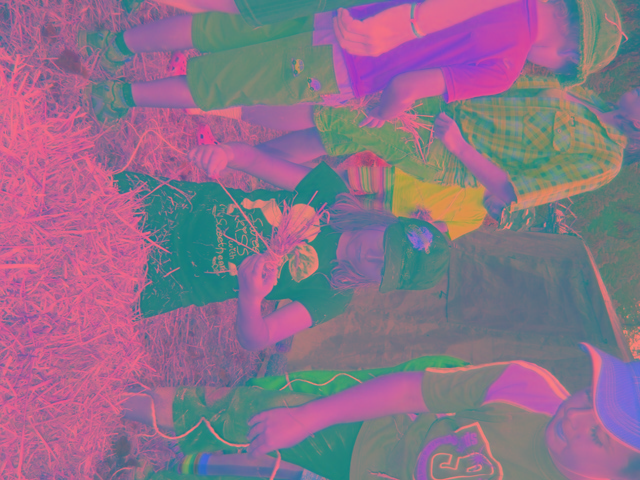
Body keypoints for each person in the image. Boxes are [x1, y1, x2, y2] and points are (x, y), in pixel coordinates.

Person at [121, 342, 640, 480]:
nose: (573, 417)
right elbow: (411, 392)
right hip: (372, 438)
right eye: (587, 396)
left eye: (599, 435)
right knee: (257, 415)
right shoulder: (527, 385)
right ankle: (111, 401)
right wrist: (309, 417)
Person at [114, 142, 450, 351]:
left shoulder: (332, 297)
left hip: (176, 280)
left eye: (383, 268)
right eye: (385, 245)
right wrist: (226, 154)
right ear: (386, 222)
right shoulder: (331, 194)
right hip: (175, 207)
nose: (373, 256)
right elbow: (255, 161)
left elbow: (256, 339)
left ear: (381, 283)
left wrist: (250, 298)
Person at [78, 0, 619, 122]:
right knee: (225, 84)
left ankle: (116, 44)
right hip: (342, 64)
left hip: (341, 11)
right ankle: (118, 95)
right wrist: (382, 114)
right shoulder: (506, 67)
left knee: (224, 27)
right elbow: (409, 85)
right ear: (568, 55)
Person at [217, 73, 640, 224]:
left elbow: (514, 191)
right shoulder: (588, 95)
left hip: (443, 146)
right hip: (448, 103)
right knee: (334, 136)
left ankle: (216, 105)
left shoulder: (605, 161)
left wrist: (458, 146)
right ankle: (232, 160)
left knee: (341, 116)